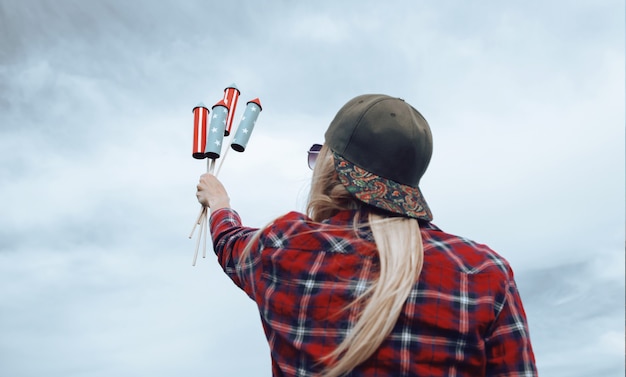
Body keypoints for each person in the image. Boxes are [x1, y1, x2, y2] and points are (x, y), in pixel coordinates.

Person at [196, 94, 537, 377]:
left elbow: (230, 241)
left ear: (332, 167)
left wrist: (219, 202)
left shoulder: (282, 248)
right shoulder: (483, 274)